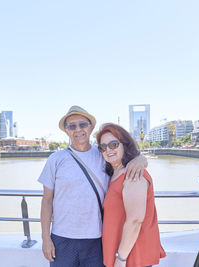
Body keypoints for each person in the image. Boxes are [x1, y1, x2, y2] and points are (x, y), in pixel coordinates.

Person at [38, 106, 147, 267]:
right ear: (66, 131)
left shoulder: (104, 154)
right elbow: (47, 201)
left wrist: (141, 160)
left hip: (97, 238)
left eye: (82, 124)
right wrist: (46, 238)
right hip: (62, 238)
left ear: (91, 127)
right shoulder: (55, 159)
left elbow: (127, 159)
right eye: (72, 126)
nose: (78, 130)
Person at [96, 123, 166, 267]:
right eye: (103, 147)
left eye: (113, 144)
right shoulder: (115, 174)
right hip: (121, 250)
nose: (108, 150)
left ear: (125, 145)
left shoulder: (133, 174)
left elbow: (135, 220)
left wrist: (121, 259)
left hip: (132, 255)